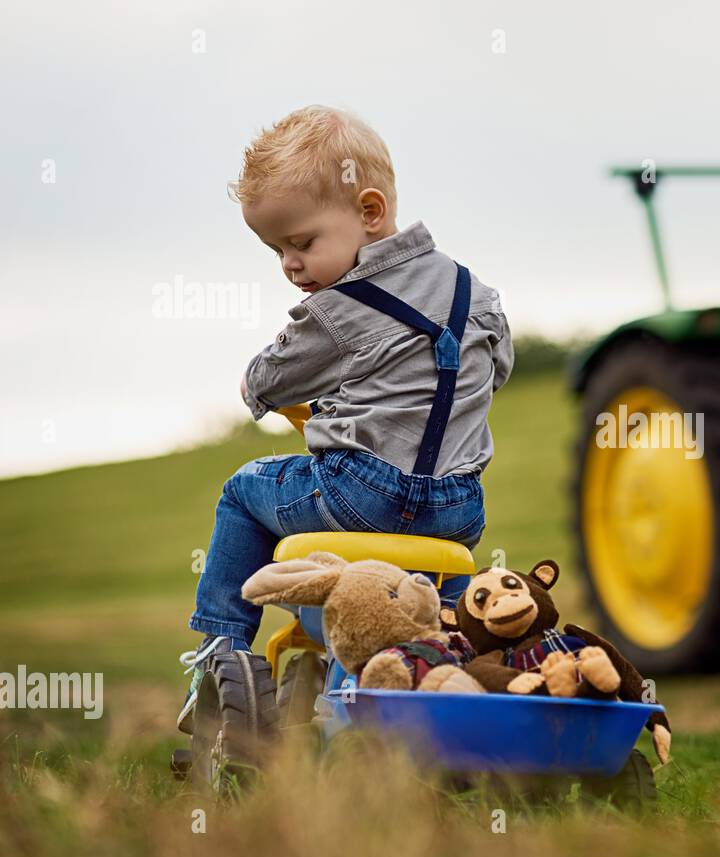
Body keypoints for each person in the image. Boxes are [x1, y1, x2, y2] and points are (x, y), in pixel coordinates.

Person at [178, 106, 513, 733]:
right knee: (429, 621)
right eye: (277, 250)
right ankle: (432, 677)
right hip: (460, 510)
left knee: (244, 489)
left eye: (301, 242)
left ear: (369, 212)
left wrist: (264, 385)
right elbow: (497, 370)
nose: (289, 265)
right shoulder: (476, 294)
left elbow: (265, 383)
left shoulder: (337, 311)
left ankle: (218, 648)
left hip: (359, 495)